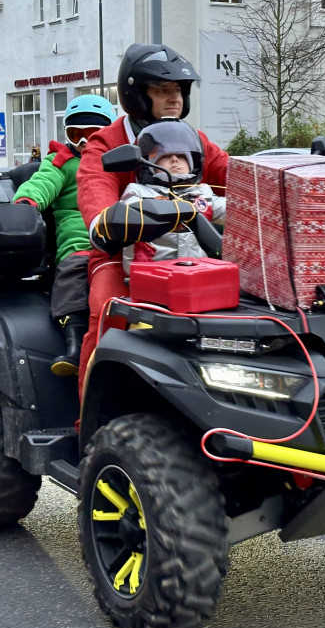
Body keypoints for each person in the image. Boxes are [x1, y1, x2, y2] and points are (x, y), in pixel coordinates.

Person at [76, 43, 230, 386]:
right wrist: (107, 219)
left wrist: (275, 189)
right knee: (107, 310)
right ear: (136, 96)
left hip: (195, 252)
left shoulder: (193, 139)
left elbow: (233, 175)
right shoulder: (106, 143)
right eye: (162, 91)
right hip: (123, 253)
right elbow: (94, 190)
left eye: (177, 90)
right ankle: (89, 422)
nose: (173, 98)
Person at [12, 94, 117, 376]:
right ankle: (75, 343)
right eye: (76, 134)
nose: (85, 143)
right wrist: (26, 202)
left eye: (93, 134)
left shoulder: (119, 158)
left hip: (123, 234)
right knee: (75, 273)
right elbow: (43, 183)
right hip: (81, 241)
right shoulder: (62, 160)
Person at [110, 119, 226, 274]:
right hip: (150, 276)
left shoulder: (202, 194)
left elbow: (236, 211)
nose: (174, 159)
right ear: (149, 164)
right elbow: (127, 214)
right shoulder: (138, 193)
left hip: (198, 275)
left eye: (181, 155)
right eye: (165, 155)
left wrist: (261, 207)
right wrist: (160, 209)